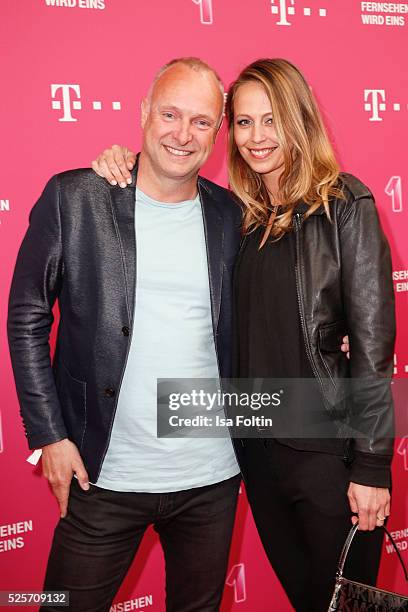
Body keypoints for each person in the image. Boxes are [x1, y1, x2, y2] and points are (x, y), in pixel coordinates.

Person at [94, 58, 395, 611]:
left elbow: (373, 347)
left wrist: (373, 465)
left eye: (272, 120)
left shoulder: (344, 205)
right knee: (307, 600)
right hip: (257, 453)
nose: (257, 138)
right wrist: (121, 162)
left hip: (330, 458)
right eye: (244, 122)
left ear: (300, 121)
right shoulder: (240, 217)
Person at [7, 57, 243, 612]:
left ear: (218, 131)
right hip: (103, 474)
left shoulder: (230, 216)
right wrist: (49, 436)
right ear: (142, 113)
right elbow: (27, 317)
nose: (183, 134)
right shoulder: (77, 197)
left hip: (212, 480)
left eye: (202, 121)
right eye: (170, 113)